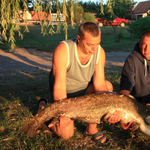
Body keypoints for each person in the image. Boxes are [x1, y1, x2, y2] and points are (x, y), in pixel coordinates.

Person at [39, 22, 120, 144]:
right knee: (66, 134)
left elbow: (100, 87)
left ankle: (91, 130)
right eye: (90, 44)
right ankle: (43, 110)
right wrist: (63, 114)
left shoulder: (99, 52)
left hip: (85, 92)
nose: (94, 49)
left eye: (97, 44)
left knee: (107, 86)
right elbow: (60, 87)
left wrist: (110, 109)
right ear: (79, 38)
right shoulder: (63, 49)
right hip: (65, 96)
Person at [119, 30, 150, 103]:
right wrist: (122, 103)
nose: (147, 49)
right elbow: (126, 84)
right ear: (139, 44)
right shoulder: (132, 60)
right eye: (144, 44)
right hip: (136, 101)